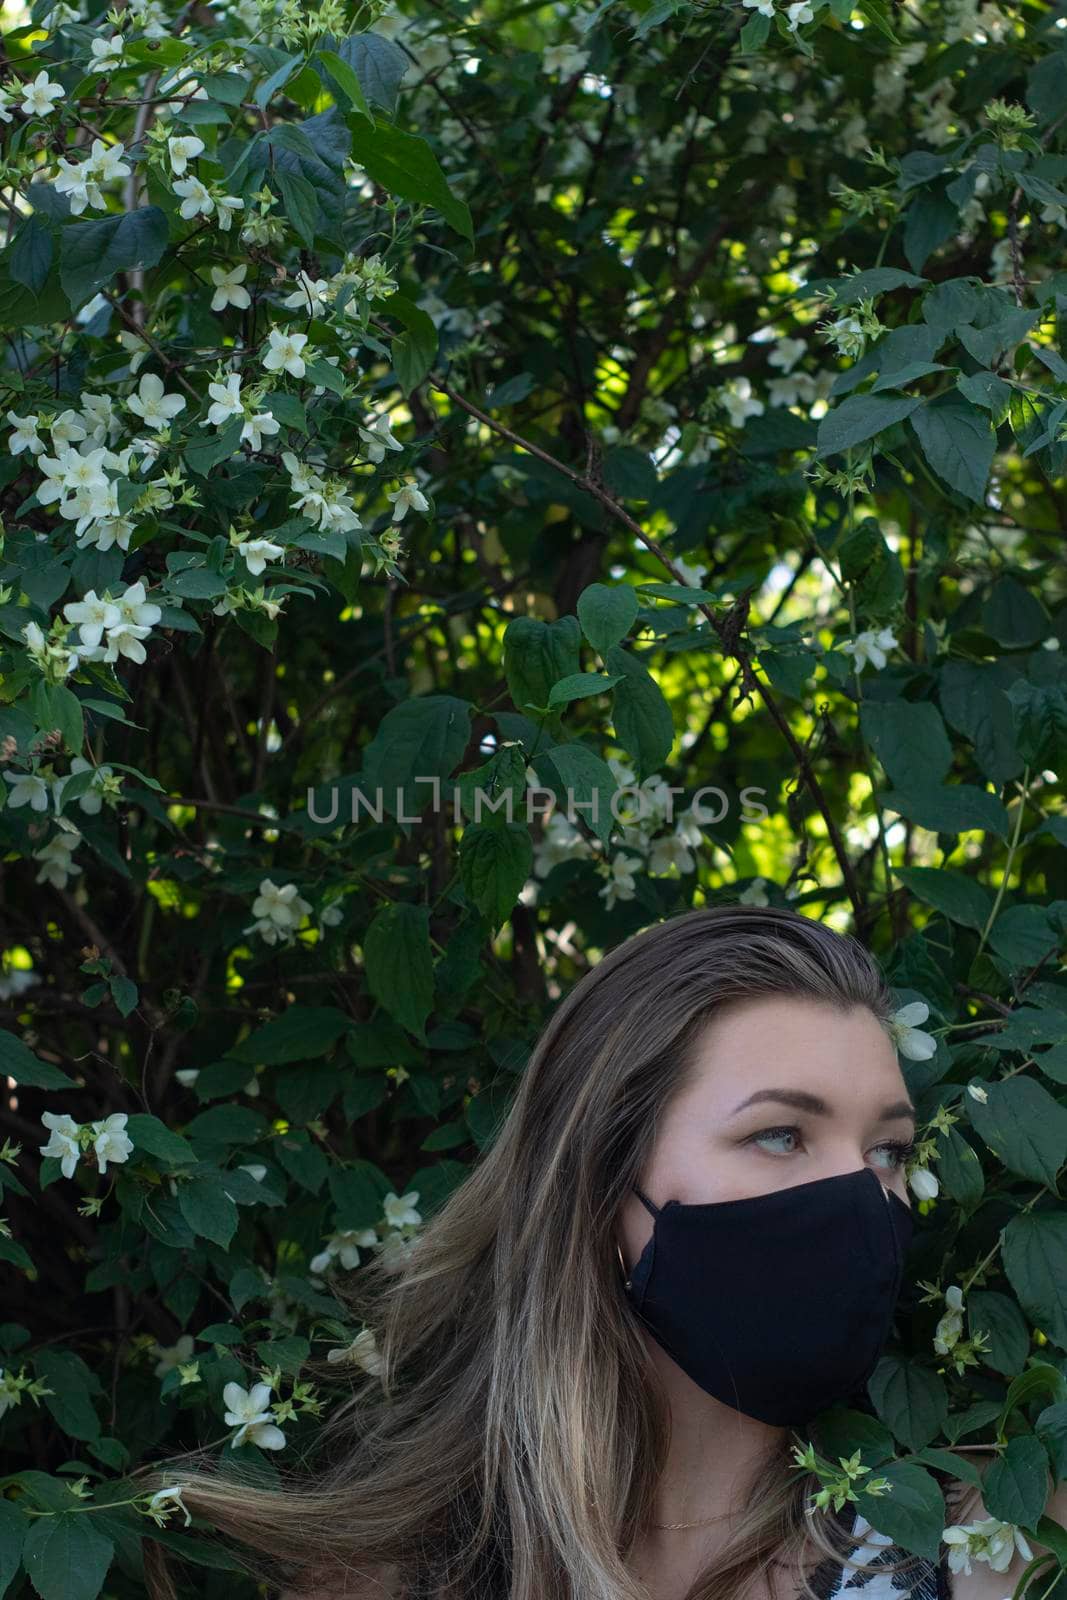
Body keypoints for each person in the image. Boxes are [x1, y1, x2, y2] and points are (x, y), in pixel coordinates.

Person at [140, 905, 1054, 1600]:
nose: (860, 1196)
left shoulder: (986, 1544)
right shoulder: (389, 1577)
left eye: (887, 1150)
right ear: (598, 1188)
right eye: (780, 1135)